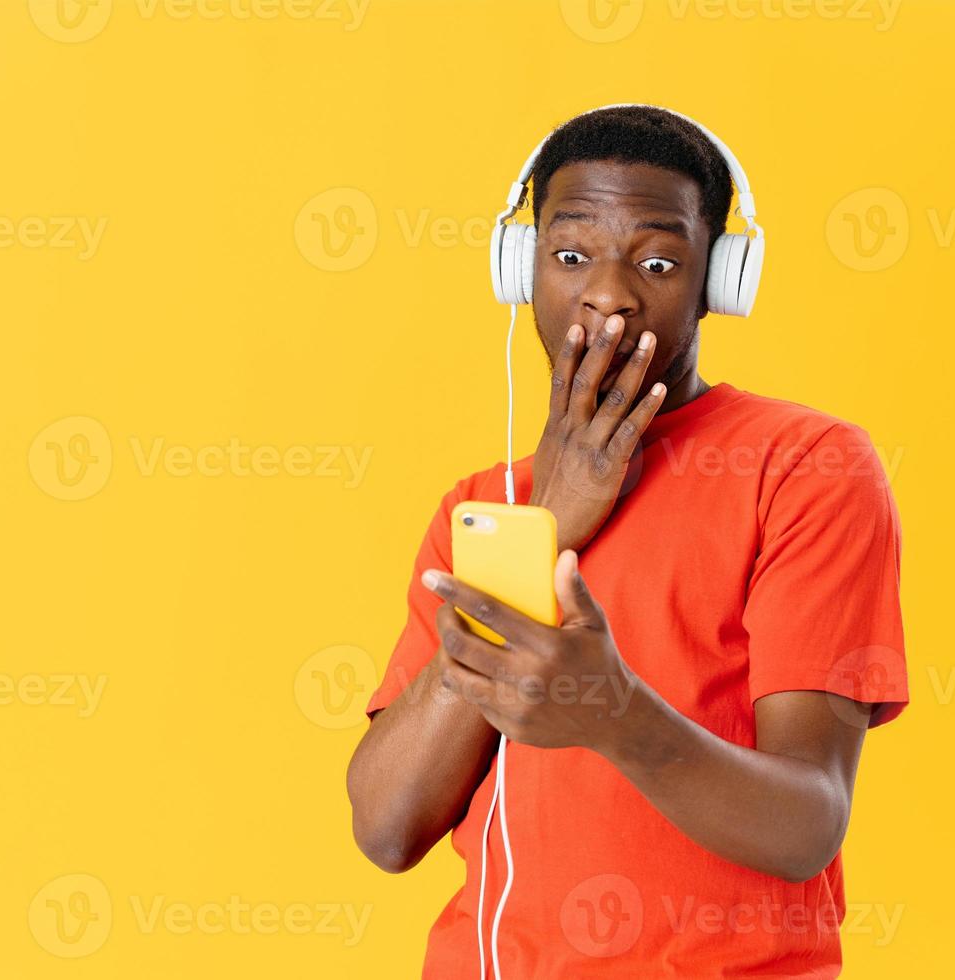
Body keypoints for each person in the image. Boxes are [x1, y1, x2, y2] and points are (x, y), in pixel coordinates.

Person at [345, 105, 910, 977]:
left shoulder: (807, 467)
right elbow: (388, 826)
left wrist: (616, 716)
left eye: (657, 261)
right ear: (519, 269)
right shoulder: (483, 506)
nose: (608, 293)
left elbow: (805, 827)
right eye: (571, 256)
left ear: (718, 280)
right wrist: (550, 525)